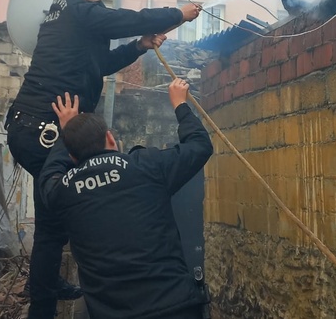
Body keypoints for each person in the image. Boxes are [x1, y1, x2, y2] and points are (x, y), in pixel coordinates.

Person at [5, 0, 201, 318]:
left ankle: (46, 288)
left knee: (53, 221)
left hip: (31, 127)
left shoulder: (64, 19)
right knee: (54, 223)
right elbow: (126, 19)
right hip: (44, 128)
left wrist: (140, 46)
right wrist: (178, 14)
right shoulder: (80, 11)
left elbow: (101, 64)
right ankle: (47, 299)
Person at [39, 80, 214, 319]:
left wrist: (68, 132)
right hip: (176, 307)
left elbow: (48, 176)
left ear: (71, 156)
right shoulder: (147, 166)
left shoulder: (64, 190)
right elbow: (200, 146)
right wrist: (180, 104)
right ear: (110, 138)